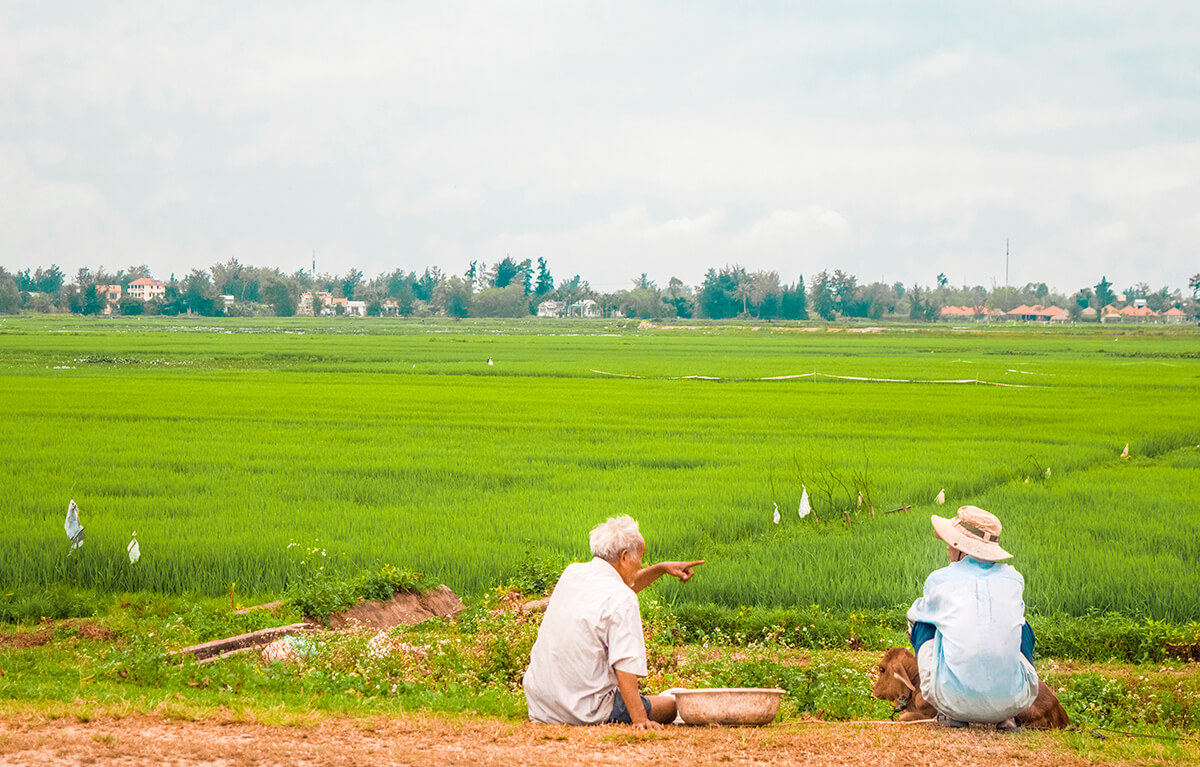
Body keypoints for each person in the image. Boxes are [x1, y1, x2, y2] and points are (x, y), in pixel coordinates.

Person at [523, 516, 704, 728]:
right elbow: (624, 665)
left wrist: (661, 568)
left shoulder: (572, 574)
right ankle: (654, 706)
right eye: (641, 558)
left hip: (541, 706)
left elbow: (620, 588)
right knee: (670, 706)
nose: (641, 565)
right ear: (625, 557)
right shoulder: (623, 599)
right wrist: (640, 719)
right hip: (583, 710)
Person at [907, 505, 1039, 731]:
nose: (948, 546)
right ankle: (1004, 716)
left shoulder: (940, 579)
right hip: (1014, 701)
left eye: (951, 541)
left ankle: (953, 709)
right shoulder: (1014, 578)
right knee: (1022, 626)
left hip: (951, 701)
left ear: (961, 548)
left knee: (922, 624)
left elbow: (914, 618)